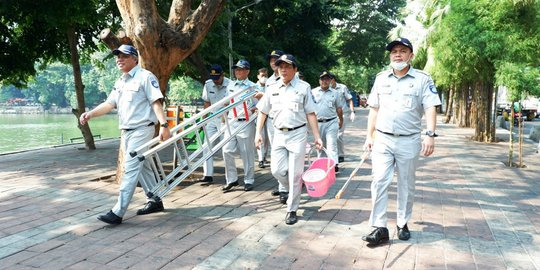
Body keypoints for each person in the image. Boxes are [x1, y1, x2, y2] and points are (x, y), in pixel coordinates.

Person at [79, 44, 171, 225]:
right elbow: (109, 104)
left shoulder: (145, 77)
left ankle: (118, 212)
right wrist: (90, 114)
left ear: (135, 58)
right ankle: (155, 200)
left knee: (130, 169)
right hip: (127, 132)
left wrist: (164, 125)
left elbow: (156, 103)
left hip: (142, 129)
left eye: (124, 56)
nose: (119, 59)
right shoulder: (121, 82)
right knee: (142, 167)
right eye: (117, 56)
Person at [362, 37, 441, 245]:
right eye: (394, 51)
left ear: (411, 56)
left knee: (406, 183)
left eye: (402, 51)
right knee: (379, 180)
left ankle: (402, 223)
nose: (397, 54)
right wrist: (369, 136)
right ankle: (379, 226)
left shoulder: (423, 79)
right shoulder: (381, 78)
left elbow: (430, 107)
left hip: (409, 140)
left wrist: (430, 134)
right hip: (383, 139)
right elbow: (374, 109)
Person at [255, 54, 323, 225]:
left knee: (294, 173)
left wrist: (317, 136)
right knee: (277, 171)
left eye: (287, 66)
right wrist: (258, 134)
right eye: (280, 66)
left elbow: (311, 113)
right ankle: (294, 186)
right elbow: (263, 111)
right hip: (278, 133)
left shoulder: (303, 87)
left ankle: (292, 209)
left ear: (295, 69)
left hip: (298, 134)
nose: (283, 69)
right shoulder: (271, 88)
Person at [221, 59, 257, 193]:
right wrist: (224, 117)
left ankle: (249, 180)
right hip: (231, 121)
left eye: (241, 69)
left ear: (247, 71)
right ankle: (231, 179)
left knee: (246, 153)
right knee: (226, 150)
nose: (238, 72)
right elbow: (226, 102)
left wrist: (253, 110)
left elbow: (258, 104)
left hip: (246, 122)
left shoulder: (253, 86)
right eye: (236, 69)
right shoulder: (231, 85)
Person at [198, 64, 232, 184]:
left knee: (226, 149)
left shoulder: (230, 84)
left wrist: (225, 117)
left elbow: (230, 103)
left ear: (222, 75)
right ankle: (207, 175)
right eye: (214, 78)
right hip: (212, 118)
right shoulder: (208, 84)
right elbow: (207, 103)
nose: (216, 81)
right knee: (206, 146)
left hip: (225, 119)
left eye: (217, 78)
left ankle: (231, 177)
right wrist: (204, 120)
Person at [311, 70, 344, 172]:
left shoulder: (336, 93)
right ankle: (321, 164)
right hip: (318, 123)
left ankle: (334, 165)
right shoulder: (313, 92)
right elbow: (309, 109)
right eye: (323, 79)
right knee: (320, 145)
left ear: (330, 81)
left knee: (332, 144)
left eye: (327, 79)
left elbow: (339, 108)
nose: (325, 81)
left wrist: (341, 120)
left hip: (332, 122)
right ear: (319, 81)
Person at [265, 49, 287, 197]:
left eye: (276, 59)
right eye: (271, 59)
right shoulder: (268, 81)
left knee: (287, 155)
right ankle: (282, 185)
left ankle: (286, 187)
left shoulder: (290, 77)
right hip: (272, 121)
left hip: (288, 123)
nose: (273, 62)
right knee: (276, 153)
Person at [330, 73, 355, 163]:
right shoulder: (326, 89)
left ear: (334, 79)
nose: (328, 82)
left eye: (330, 79)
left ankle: (340, 154)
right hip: (331, 116)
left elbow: (349, 99)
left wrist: (352, 111)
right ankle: (332, 154)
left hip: (342, 114)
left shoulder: (342, 87)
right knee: (330, 136)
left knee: (338, 136)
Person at [256, 67, 270, 168]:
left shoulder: (270, 86)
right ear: (258, 76)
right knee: (260, 136)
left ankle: (264, 156)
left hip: (269, 115)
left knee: (267, 138)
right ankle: (260, 159)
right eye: (262, 76)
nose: (263, 77)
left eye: (265, 76)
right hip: (258, 115)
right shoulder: (254, 87)